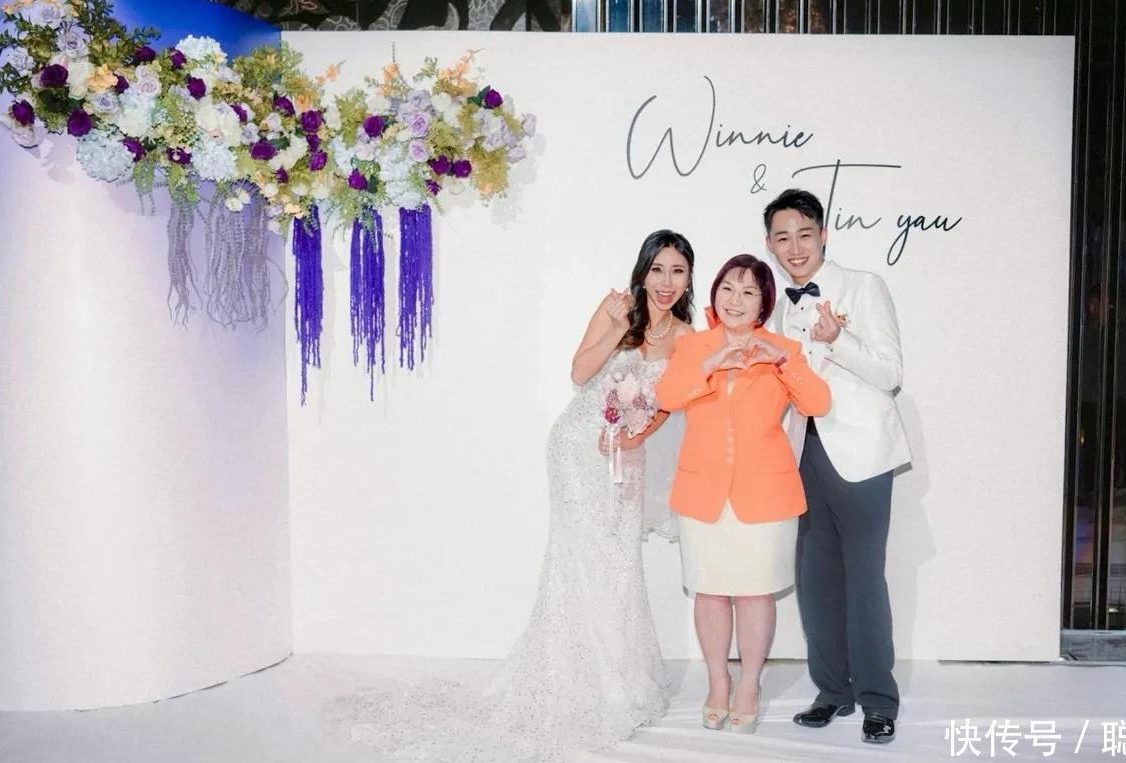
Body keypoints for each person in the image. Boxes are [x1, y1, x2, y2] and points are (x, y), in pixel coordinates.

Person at [333, 230, 696, 762]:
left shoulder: (687, 337)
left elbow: (669, 405)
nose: (666, 282)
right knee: (578, 560)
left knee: (619, 562)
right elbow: (580, 372)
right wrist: (617, 330)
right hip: (577, 447)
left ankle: (620, 678)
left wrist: (634, 436)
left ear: (688, 279)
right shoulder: (616, 308)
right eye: (658, 269)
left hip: (626, 457)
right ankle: (580, 680)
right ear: (642, 271)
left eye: (677, 271)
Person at [655, 254, 830, 734]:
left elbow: (818, 402)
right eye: (728, 289)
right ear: (715, 294)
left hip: (766, 495)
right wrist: (711, 363)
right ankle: (718, 682)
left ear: (763, 303)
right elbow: (667, 398)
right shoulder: (694, 347)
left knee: (755, 594)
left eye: (749, 292)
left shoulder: (783, 349)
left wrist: (781, 362)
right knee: (709, 590)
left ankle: (750, 684)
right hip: (702, 491)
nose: (736, 300)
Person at [764, 188, 912, 745]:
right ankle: (832, 691)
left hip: (863, 456)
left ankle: (878, 700)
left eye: (804, 234)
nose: (795, 247)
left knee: (865, 581)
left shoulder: (864, 286)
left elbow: (891, 373)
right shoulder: (776, 306)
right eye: (782, 237)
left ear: (823, 234)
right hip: (803, 455)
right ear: (770, 244)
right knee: (816, 581)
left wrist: (838, 339)